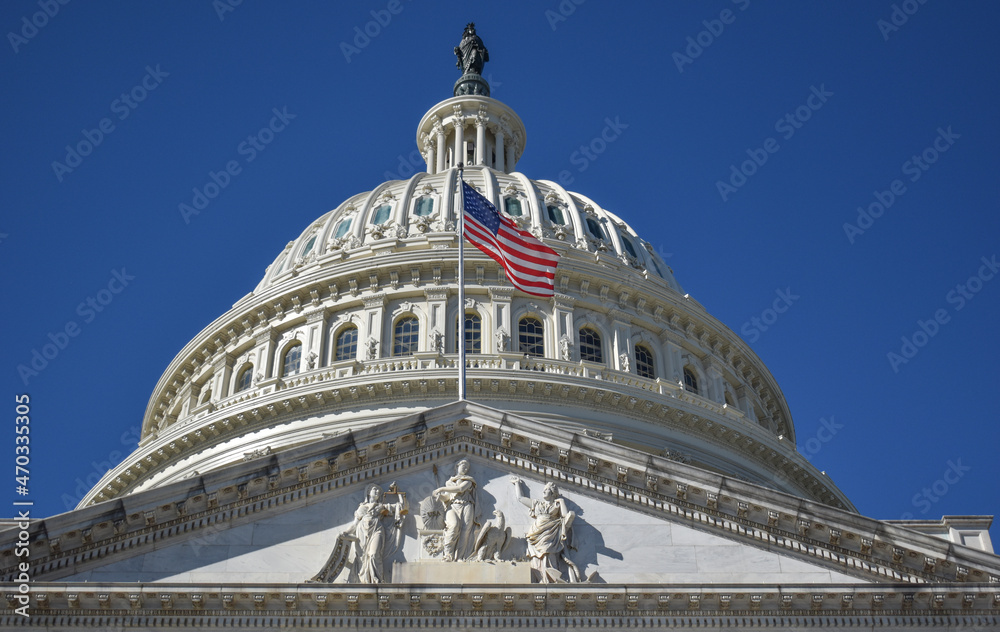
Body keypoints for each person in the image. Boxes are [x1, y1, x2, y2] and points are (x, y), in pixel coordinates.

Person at [309, 482, 406, 583]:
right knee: (362, 557)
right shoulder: (362, 508)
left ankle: (376, 579)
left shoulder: (381, 507)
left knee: (373, 554)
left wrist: (398, 492)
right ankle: (364, 578)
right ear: (369, 492)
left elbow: (401, 507)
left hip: (377, 531)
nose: (377, 492)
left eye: (379, 491)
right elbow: (355, 524)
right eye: (375, 489)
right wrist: (345, 532)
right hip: (362, 532)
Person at [510, 477, 581, 583]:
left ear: (553, 492)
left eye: (547, 489)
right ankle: (540, 579)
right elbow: (520, 498)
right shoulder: (537, 504)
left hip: (550, 534)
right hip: (536, 534)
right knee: (536, 558)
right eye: (544, 489)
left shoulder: (556, 505)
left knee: (548, 555)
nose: (544, 491)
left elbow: (566, 516)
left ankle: (550, 579)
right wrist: (517, 484)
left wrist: (561, 501)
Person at [432, 459, 477, 561]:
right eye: (463, 466)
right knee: (454, 525)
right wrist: (440, 496)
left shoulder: (469, 481)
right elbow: (447, 497)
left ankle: (460, 556)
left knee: (465, 531)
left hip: (467, 505)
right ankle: (448, 554)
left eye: (467, 467)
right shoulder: (449, 483)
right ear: (457, 466)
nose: (465, 469)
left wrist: (441, 489)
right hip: (453, 506)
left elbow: (460, 489)